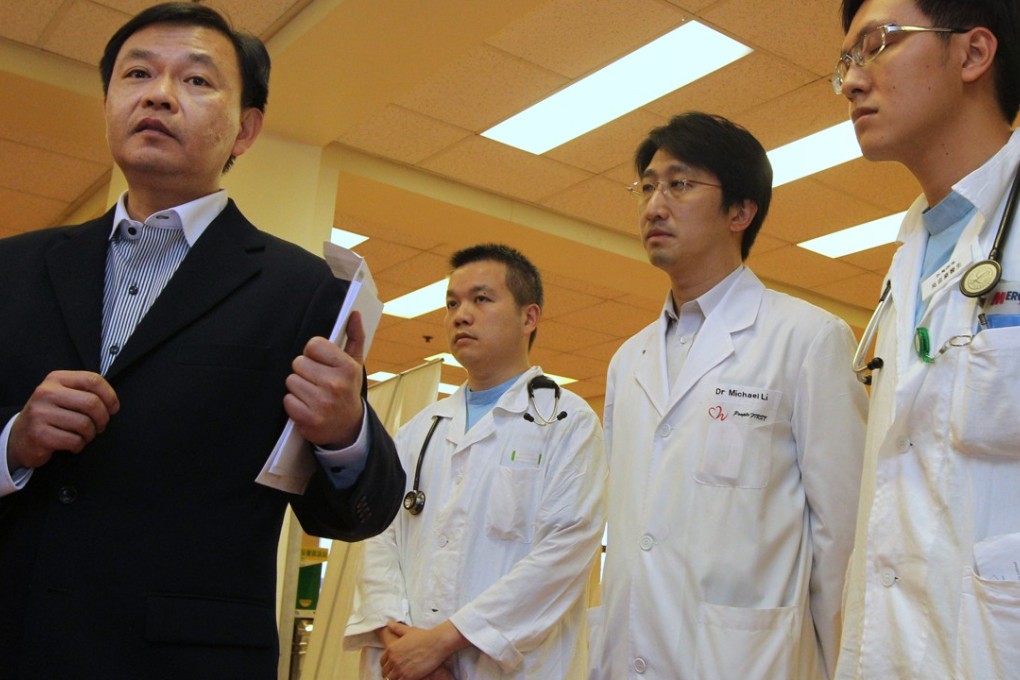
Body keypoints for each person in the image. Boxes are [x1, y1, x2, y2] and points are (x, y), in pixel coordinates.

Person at [0, 4, 404, 678]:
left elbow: (357, 514)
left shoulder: (302, 290)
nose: (159, 93)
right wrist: (13, 442)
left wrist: (344, 430)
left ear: (245, 130)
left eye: (196, 81)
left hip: (187, 659)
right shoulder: (11, 269)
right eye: (138, 74)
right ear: (109, 104)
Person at [589, 112, 868, 680]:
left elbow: (844, 536)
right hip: (630, 652)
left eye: (680, 184)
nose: (654, 205)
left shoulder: (808, 339)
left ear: (741, 211)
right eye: (647, 185)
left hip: (748, 660)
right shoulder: (628, 361)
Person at [833, 1, 1020, 677]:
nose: (852, 81)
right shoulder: (912, 245)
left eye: (876, 45)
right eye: (846, 61)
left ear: (972, 54)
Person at [344, 244, 607, 680]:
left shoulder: (567, 421)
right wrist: (405, 645)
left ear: (529, 318)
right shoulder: (418, 431)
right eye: (452, 303)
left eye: (481, 299)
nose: (460, 315)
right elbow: (379, 541)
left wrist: (443, 642)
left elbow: (562, 558)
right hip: (406, 665)